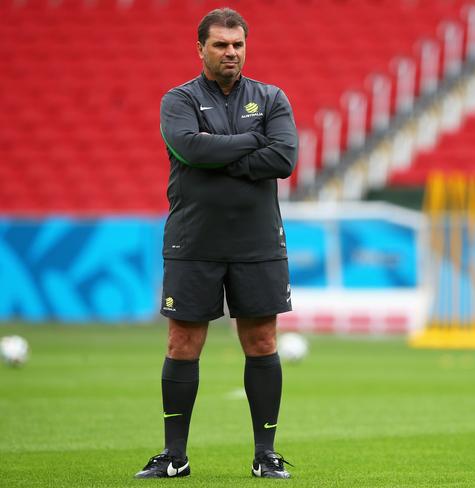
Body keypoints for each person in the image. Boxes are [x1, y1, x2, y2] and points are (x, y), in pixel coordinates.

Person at [134, 7, 298, 480]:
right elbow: (191, 148)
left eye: (238, 44)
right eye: (221, 44)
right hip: (193, 241)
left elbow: (284, 157)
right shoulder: (178, 99)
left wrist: (221, 153)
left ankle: (266, 455)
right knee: (183, 342)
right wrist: (252, 143)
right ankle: (174, 456)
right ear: (200, 47)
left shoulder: (271, 97)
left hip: (258, 241)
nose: (231, 52)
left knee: (262, 341)